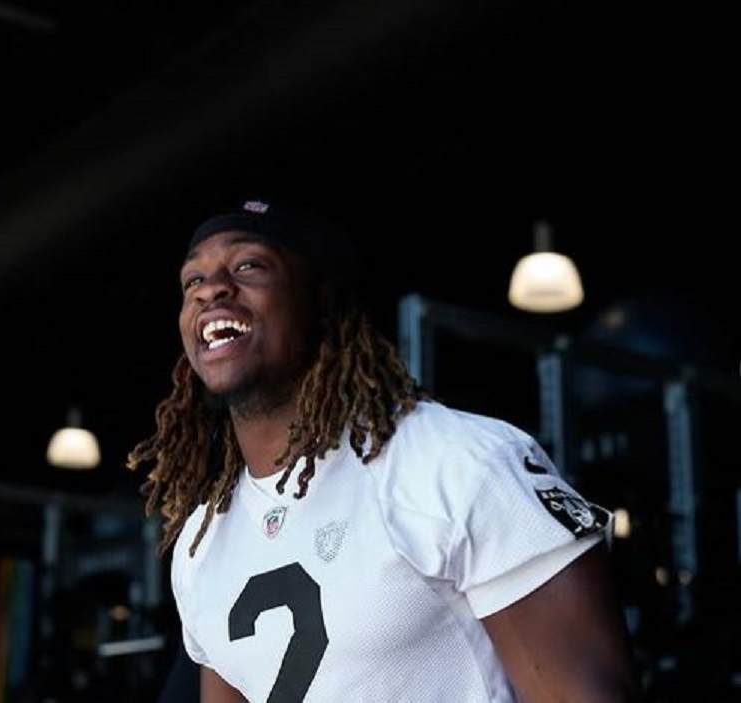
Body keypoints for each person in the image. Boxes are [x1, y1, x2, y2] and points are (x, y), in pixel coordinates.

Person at [127, 196, 638, 702]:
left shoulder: (457, 463)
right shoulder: (200, 544)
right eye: (193, 280)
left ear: (321, 300)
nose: (211, 288)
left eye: (248, 266)